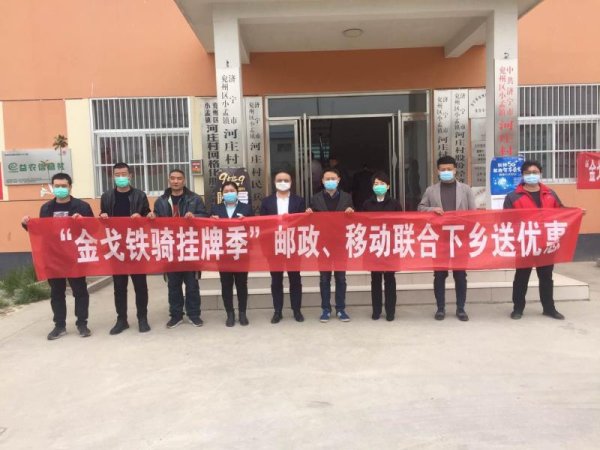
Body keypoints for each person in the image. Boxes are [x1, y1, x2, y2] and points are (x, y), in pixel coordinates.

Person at [21, 173, 94, 340]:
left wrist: (83, 221)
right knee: (57, 293)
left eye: (64, 186)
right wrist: (27, 224)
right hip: (54, 257)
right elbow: (41, 233)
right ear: (52, 187)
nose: (60, 189)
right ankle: (59, 326)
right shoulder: (46, 208)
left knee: (80, 291)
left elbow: (94, 229)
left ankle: (82, 324)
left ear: (70, 187)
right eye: (57, 186)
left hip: (75, 256)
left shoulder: (82, 206)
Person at [504, 160, 565, 320]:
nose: (532, 175)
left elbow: (561, 213)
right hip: (525, 243)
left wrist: (577, 212)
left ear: (540, 174)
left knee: (546, 277)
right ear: (523, 175)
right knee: (521, 277)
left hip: (546, 243)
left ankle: (549, 308)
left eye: (535, 172)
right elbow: (507, 220)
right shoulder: (512, 197)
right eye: (528, 173)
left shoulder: (550, 194)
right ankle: (518, 308)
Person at [418, 155, 476, 321]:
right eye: (443, 169)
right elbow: (420, 208)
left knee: (460, 275)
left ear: (455, 170)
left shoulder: (466, 189)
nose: (446, 172)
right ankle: (440, 308)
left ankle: (461, 308)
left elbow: (473, 213)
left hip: (460, 239)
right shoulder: (431, 190)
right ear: (437, 171)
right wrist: (432, 210)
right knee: (439, 275)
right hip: (439, 239)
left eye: (449, 169)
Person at [149, 169, 208, 328]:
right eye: (173, 178)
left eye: (179, 178)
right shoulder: (161, 201)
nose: (176, 181)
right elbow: (156, 222)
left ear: (184, 181)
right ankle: (176, 316)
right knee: (173, 285)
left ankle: (194, 315)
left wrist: (195, 217)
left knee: (192, 285)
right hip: (170, 248)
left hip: (190, 247)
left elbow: (205, 217)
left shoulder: (195, 199)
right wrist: (153, 217)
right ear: (169, 180)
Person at [100, 162, 152, 334]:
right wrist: (102, 216)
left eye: (124, 174)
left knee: (140, 286)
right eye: (117, 175)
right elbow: (103, 218)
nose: (121, 177)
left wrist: (142, 217)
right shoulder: (107, 196)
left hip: (136, 245)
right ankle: (121, 320)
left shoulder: (139, 195)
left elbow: (148, 217)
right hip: (116, 247)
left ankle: (142, 318)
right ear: (113, 177)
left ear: (130, 176)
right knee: (119, 287)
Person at [306, 168, 354, 322]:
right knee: (324, 278)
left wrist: (351, 211)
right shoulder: (315, 198)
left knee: (341, 278)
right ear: (322, 181)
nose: (330, 181)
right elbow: (310, 221)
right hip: (323, 244)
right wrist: (308, 213)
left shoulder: (347, 197)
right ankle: (325, 309)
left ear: (338, 180)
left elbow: (354, 219)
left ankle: (341, 309)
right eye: (327, 179)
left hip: (341, 243)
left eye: (333, 178)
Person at [260, 170, 306, 324]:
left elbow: (303, 223)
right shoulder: (267, 202)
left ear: (291, 183)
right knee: (276, 280)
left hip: (293, 245)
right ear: (274, 183)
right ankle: (277, 311)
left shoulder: (299, 201)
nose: (283, 182)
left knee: (295, 279)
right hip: (274, 246)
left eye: (286, 180)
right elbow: (262, 225)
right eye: (279, 180)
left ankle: (296, 310)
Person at [211, 181, 254, 327]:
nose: (229, 193)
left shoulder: (246, 208)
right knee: (226, 284)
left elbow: (255, 227)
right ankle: (229, 313)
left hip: (241, 251)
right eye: (226, 191)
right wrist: (212, 221)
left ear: (237, 192)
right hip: (223, 252)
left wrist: (246, 221)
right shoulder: (216, 208)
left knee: (242, 284)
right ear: (222, 194)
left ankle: (242, 313)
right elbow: (208, 229)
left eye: (232, 190)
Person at [362, 171, 402, 321]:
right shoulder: (367, 204)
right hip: (374, 245)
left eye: (382, 184)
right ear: (372, 187)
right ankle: (376, 310)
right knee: (375, 279)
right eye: (376, 184)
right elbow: (363, 224)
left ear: (388, 186)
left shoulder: (395, 204)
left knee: (390, 278)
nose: (379, 186)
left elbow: (400, 223)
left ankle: (390, 311)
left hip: (390, 244)